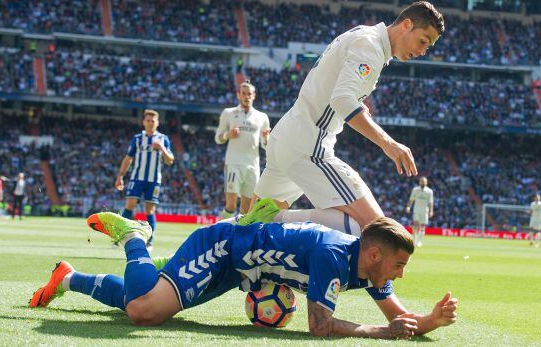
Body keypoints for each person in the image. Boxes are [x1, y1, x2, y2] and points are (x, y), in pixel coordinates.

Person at [30, 211, 458, 339]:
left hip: (238, 272)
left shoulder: (370, 269)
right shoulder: (333, 255)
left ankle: (68, 278)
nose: (399, 276)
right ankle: (134, 238)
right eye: (399, 265)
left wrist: (429, 321)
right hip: (222, 248)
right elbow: (319, 326)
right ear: (377, 252)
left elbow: (398, 322)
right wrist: (375, 334)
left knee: (145, 303)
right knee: (144, 313)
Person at [250, 2, 444, 234]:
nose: (423, 51)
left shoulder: (364, 35)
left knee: (250, 230)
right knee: (377, 230)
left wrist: (358, 103)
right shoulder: (370, 47)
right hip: (309, 147)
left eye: (428, 47)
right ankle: (280, 219)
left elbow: (335, 87)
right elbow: (342, 100)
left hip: (286, 138)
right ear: (406, 25)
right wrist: (388, 143)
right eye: (423, 41)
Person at [114, 109, 174, 249]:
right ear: (143, 122)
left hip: (154, 180)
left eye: (153, 121)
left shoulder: (163, 139)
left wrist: (162, 149)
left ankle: (149, 241)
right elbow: (128, 158)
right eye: (148, 120)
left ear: (157, 123)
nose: (150, 123)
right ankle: (121, 237)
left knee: (150, 210)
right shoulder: (137, 139)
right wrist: (120, 176)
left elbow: (170, 160)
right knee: (129, 206)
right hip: (137, 178)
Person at [215, 81, 271, 219]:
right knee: (231, 205)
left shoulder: (262, 117)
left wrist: (266, 138)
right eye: (244, 93)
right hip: (233, 163)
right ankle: (220, 234)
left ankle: (239, 238)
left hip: (253, 165)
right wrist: (228, 134)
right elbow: (218, 138)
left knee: (246, 209)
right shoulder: (228, 113)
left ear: (254, 96)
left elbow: (265, 145)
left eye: (249, 94)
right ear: (238, 95)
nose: (247, 96)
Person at [405, 176, 434, 247]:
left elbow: (431, 202)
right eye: (421, 181)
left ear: (426, 183)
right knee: (415, 225)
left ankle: (419, 241)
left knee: (422, 226)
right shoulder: (415, 190)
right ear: (419, 182)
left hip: (424, 211)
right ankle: (415, 241)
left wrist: (431, 211)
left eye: (424, 181)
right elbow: (411, 199)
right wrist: (408, 206)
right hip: (416, 209)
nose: (422, 182)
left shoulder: (429, 191)